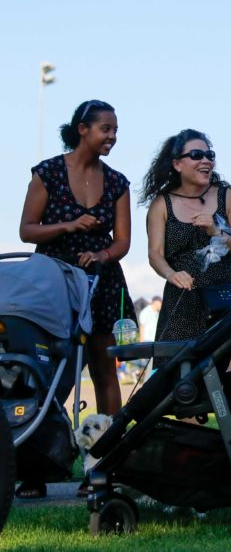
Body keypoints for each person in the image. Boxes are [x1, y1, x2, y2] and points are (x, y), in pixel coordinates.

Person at [17, 100, 135, 499]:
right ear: (82, 129)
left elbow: (122, 242)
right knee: (49, 376)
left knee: (105, 370)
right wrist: (69, 224)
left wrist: (102, 254)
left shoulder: (117, 182)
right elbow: (27, 231)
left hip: (101, 281)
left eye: (115, 130)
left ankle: (105, 465)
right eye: (105, 128)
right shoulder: (48, 173)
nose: (112, 137)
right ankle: (34, 469)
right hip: (52, 282)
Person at [140, 130, 231, 363]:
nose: (206, 160)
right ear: (177, 164)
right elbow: (154, 254)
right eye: (196, 154)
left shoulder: (226, 197)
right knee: (182, 387)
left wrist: (217, 232)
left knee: (225, 381)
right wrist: (172, 274)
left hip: (222, 301)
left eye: (209, 155)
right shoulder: (162, 204)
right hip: (181, 304)